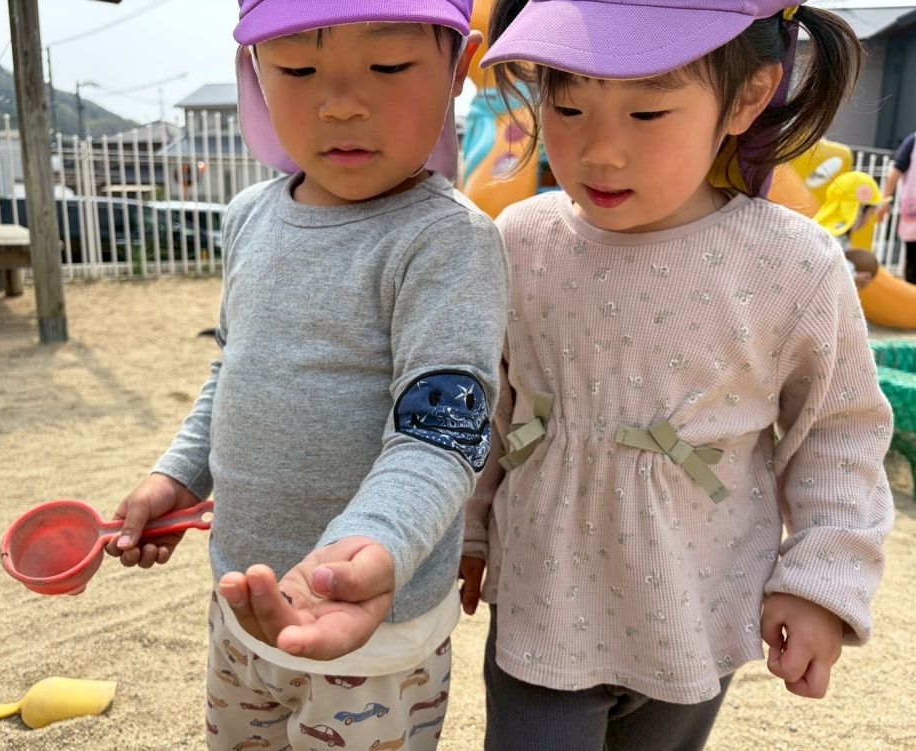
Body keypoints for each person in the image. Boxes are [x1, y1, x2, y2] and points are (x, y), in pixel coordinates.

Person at [458, 1, 895, 749]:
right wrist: (467, 530)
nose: (600, 151)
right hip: (545, 597)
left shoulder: (791, 264)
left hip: (696, 606)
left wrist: (821, 580)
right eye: (568, 106)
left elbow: (840, 429)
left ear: (748, 97)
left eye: (648, 112)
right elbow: (491, 408)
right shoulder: (521, 242)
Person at [107, 2, 509, 749]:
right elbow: (235, 367)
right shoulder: (249, 218)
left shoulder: (447, 243)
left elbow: (442, 433)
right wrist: (178, 475)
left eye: (388, 66)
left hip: (371, 625)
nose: (343, 102)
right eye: (297, 68)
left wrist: (373, 539)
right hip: (244, 603)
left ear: (458, 67)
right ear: (253, 70)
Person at [875, 131, 916, 283]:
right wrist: (885, 200)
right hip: (914, 216)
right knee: (913, 263)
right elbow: (895, 172)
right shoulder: (913, 141)